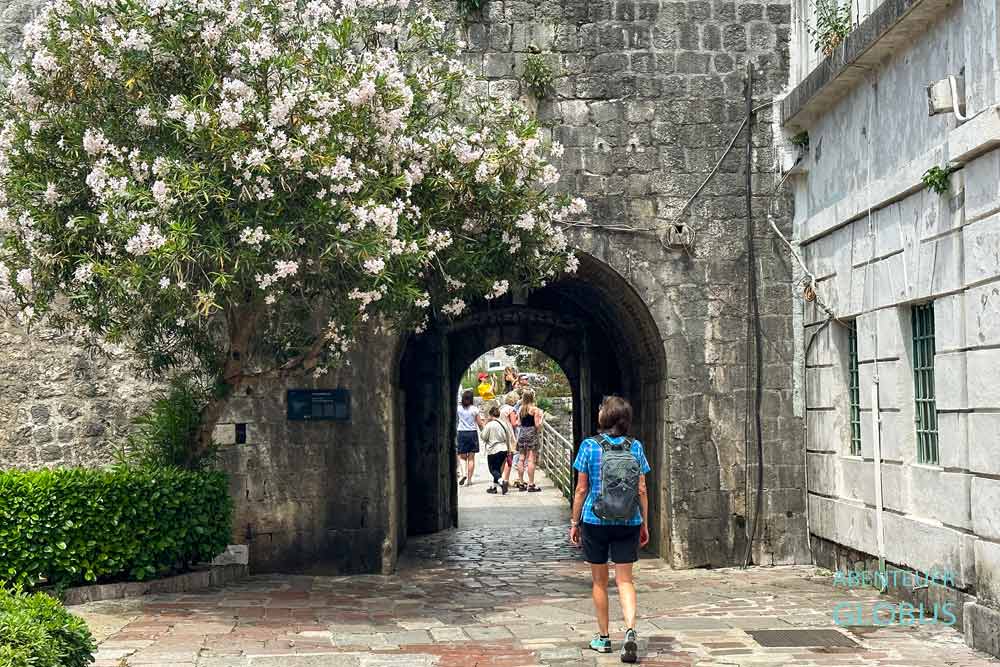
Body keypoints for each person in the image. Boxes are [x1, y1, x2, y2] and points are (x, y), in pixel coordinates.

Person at [569, 395, 650, 664]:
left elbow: (581, 489)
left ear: (604, 418)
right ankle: (629, 630)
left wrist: (574, 521)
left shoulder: (589, 446)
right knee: (625, 580)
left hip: (595, 520)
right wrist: (645, 522)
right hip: (629, 520)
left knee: (599, 581)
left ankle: (603, 638)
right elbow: (641, 489)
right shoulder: (635, 447)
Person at [515, 388, 544, 492]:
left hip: (522, 434)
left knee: (521, 458)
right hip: (532, 434)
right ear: (532, 398)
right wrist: (541, 419)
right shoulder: (535, 410)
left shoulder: (521, 409)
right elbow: (537, 425)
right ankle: (531, 484)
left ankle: (521, 483)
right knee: (531, 459)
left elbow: (518, 423)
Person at [456, 389, 483, 486]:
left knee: (462, 457)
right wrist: (483, 431)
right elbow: (479, 423)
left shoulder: (459, 409)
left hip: (461, 433)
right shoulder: (474, 409)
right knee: (471, 458)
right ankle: (469, 480)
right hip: (472, 433)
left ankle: (463, 474)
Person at [481, 404, 509, 494]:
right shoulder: (504, 424)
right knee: (498, 468)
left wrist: (484, 425)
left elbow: (483, 437)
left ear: (490, 415)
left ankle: (501, 482)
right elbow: (508, 436)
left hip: (494, 449)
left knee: (493, 469)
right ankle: (494, 488)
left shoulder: (490, 425)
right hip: (504, 448)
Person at [498, 392, 520, 493]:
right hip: (509, 435)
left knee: (502, 458)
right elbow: (514, 424)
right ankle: (506, 480)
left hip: (500, 433)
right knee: (509, 458)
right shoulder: (511, 409)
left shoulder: (501, 408)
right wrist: (519, 418)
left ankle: (499, 478)